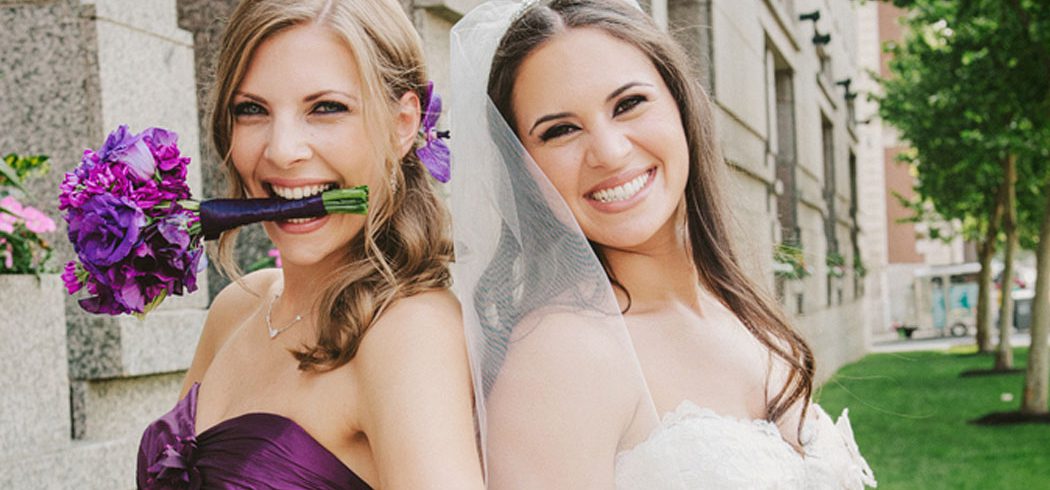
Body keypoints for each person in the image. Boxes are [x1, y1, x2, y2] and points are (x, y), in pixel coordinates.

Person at [449, 0, 877, 488]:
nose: (609, 152)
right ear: (525, 170)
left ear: (681, 104)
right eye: (561, 130)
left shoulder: (743, 313)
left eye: (628, 104)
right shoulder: (562, 354)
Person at [136, 1, 483, 488]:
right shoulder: (238, 305)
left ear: (403, 124)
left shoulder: (409, 333)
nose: (281, 150)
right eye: (252, 110)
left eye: (326, 108)